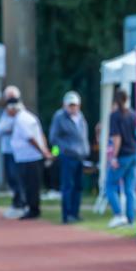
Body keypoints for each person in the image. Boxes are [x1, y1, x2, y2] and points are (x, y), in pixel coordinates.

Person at [49, 91, 90, 224]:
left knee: (78, 186)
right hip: (67, 156)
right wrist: (60, 152)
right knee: (68, 185)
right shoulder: (59, 117)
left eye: (75, 105)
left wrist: (85, 150)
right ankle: (66, 215)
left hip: (80, 156)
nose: (73, 108)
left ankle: (75, 212)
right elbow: (53, 138)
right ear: (65, 105)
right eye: (70, 105)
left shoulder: (80, 117)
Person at [10, 99, 52, 220]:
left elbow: (30, 138)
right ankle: (32, 208)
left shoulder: (21, 119)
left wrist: (42, 151)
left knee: (30, 185)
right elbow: (40, 134)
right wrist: (44, 149)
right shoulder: (29, 117)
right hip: (29, 156)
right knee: (32, 184)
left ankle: (32, 209)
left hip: (28, 157)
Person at [106, 89, 136, 228]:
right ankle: (130, 220)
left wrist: (114, 157)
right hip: (133, 154)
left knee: (109, 185)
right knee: (129, 189)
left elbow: (116, 138)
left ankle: (119, 214)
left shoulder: (115, 115)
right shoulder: (132, 114)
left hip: (122, 155)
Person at [0, 86, 27, 218]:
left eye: (12, 97)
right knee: (11, 178)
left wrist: (10, 127)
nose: (9, 101)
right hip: (7, 149)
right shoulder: (5, 112)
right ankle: (17, 202)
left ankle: (21, 204)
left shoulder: (21, 111)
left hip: (18, 151)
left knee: (17, 177)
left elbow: (20, 127)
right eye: (7, 97)